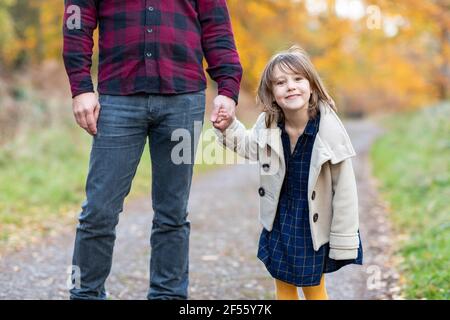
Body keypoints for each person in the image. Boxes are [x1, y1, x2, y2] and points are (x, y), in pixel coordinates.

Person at [62, 0, 242, 300]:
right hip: (118, 98)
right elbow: (76, 23)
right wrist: (81, 87)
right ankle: (85, 295)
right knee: (98, 212)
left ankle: (168, 295)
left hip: (184, 100)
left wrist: (228, 88)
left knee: (172, 213)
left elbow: (217, 26)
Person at [213, 46, 363, 300]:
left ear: (312, 86)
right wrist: (228, 127)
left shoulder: (329, 131)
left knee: (313, 288)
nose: (290, 86)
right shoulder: (269, 124)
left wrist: (344, 238)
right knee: (282, 284)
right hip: (281, 219)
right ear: (272, 94)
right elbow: (250, 147)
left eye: (297, 79)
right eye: (280, 82)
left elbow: (345, 191)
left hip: (313, 223)